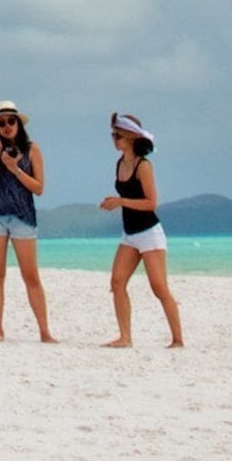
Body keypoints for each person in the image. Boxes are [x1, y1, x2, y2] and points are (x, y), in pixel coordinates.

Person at [97, 112, 184, 348]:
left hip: (149, 233)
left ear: (131, 137)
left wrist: (120, 202)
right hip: (130, 234)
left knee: (159, 288)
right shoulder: (119, 164)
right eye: (113, 135)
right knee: (117, 282)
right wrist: (114, 203)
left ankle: (177, 339)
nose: (114, 139)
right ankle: (125, 337)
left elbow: (151, 203)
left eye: (118, 135)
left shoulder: (143, 166)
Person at [0, 102, 54, 341]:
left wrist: (15, 169)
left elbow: (39, 188)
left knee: (31, 276)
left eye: (11, 121)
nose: (6, 126)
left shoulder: (32, 150)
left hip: (23, 216)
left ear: (18, 123)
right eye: (0, 123)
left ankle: (44, 331)